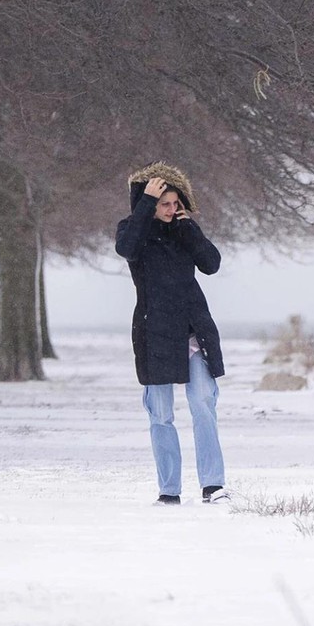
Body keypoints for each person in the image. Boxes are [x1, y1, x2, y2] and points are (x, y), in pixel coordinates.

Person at [115, 162, 229, 505]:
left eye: (175, 203)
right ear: (149, 202)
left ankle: (213, 485)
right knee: (160, 414)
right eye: (164, 203)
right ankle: (169, 490)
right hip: (155, 332)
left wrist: (188, 229)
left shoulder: (183, 230)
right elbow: (128, 249)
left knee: (203, 403)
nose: (171, 209)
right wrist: (145, 206)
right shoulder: (133, 230)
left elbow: (211, 264)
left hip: (194, 330)